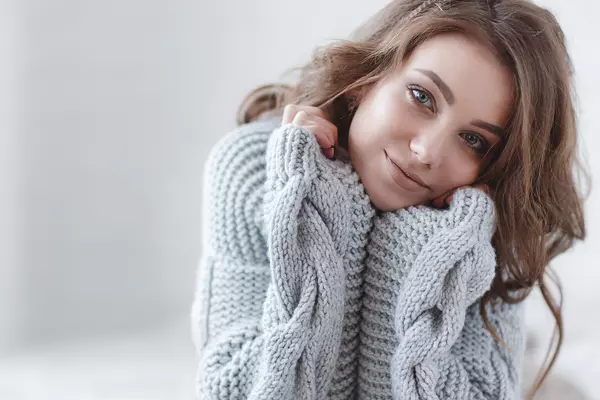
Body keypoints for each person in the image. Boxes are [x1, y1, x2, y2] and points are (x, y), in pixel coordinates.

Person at [191, 0, 588, 399]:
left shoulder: (482, 223)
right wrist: (319, 216)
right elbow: (229, 391)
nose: (426, 151)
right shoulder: (252, 169)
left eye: (474, 141)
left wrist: (416, 256)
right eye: (421, 96)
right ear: (366, 78)